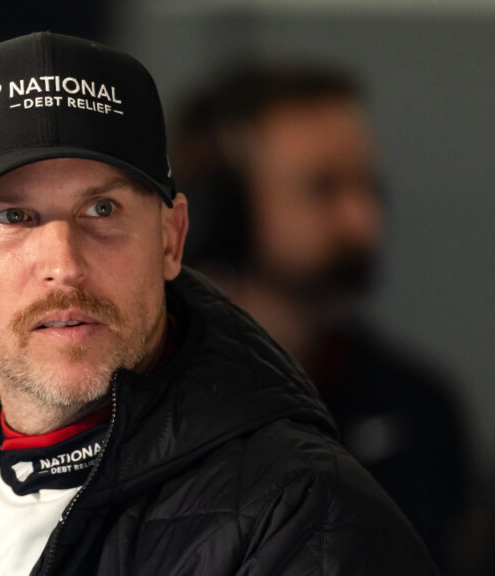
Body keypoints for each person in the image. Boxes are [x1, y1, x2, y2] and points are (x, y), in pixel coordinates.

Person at [0, 32, 437, 575]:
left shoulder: (304, 516)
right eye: (13, 216)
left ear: (171, 238)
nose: (63, 262)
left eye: (102, 210)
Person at [173, 66, 468, 571]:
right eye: (323, 189)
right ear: (223, 211)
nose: (363, 219)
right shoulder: (156, 409)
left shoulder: (417, 407)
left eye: (367, 186)